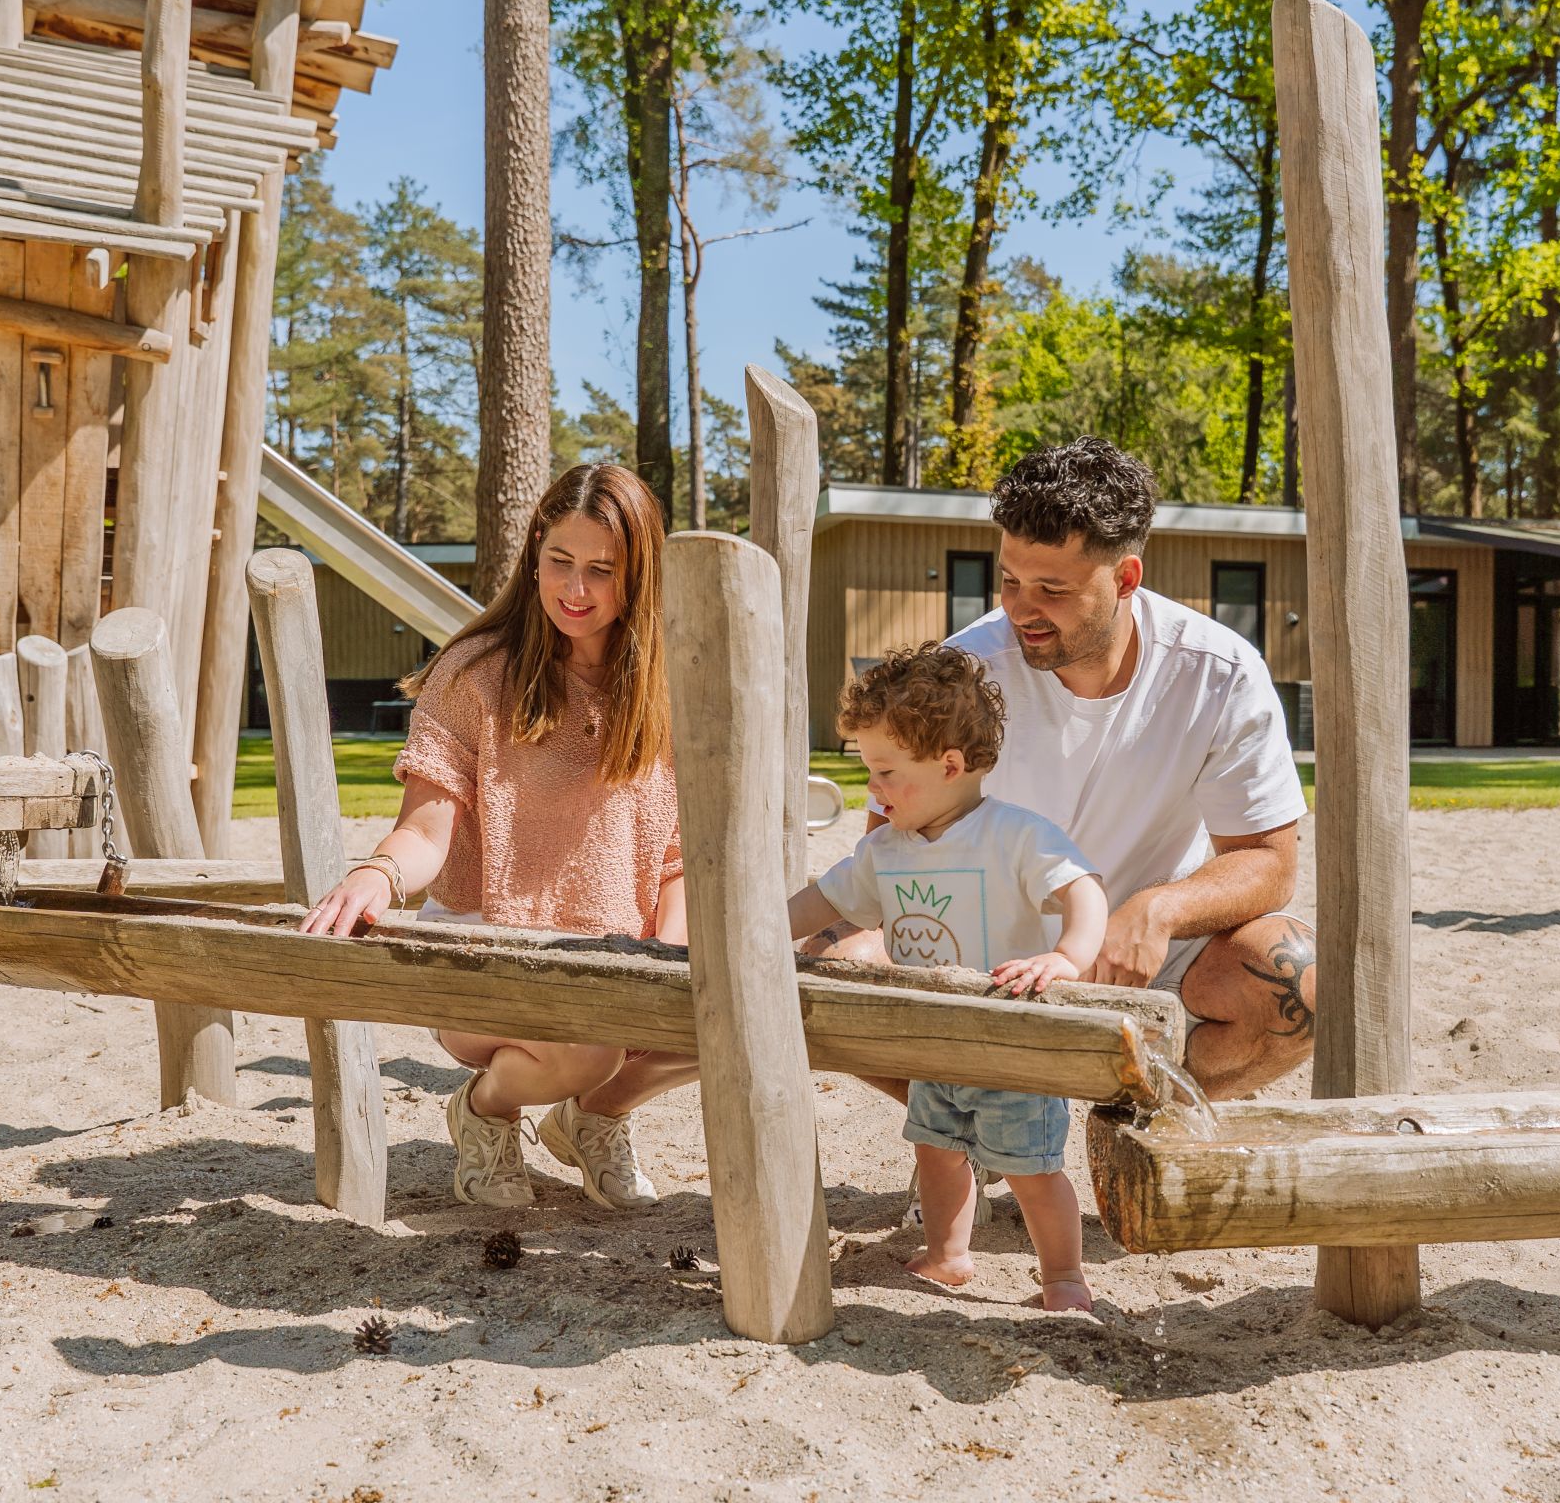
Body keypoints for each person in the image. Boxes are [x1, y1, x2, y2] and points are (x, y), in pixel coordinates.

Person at [815, 437, 1315, 1100]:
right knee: (830, 966)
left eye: (1053, 589)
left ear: (1126, 579)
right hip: (985, 956)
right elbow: (888, 839)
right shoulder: (960, 673)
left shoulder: (1219, 672)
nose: (1023, 610)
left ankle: (1141, 1124)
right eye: (1011, 581)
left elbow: (1268, 860)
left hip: (1141, 959)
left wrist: (1156, 911)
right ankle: (968, 1131)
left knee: (1297, 979)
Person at [300, 464, 696, 1211]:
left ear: (638, 577)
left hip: (615, 958)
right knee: (589, 1043)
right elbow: (426, 827)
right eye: (560, 562)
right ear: (534, 554)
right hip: (488, 953)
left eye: (601, 572)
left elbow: (674, 858)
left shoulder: (665, 692)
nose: (575, 590)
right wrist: (379, 873)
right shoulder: (475, 675)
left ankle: (596, 1116)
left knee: (729, 1004)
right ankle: (484, 1111)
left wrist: (665, 968)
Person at [789, 643, 1107, 1312]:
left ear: (950, 765)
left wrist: (1068, 957)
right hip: (934, 1040)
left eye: (884, 772)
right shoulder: (885, 851)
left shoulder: (1012, 834)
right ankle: (948, 1254)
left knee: (1032, 1170)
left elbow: (1084, 892)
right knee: (936, 1151)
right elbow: (824, 902)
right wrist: (755, 927)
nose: (870, 789)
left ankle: (1063, 1277)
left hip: (1009, 1042)